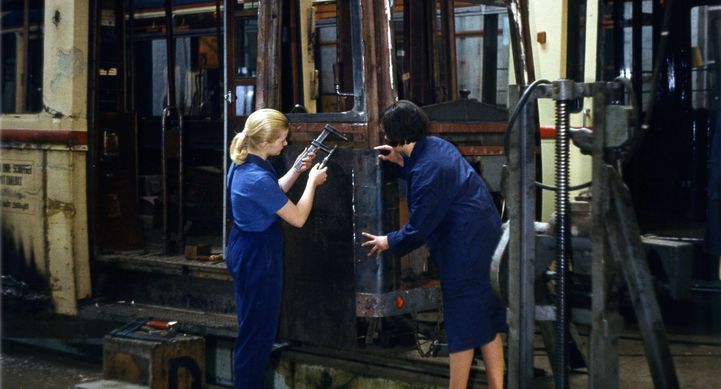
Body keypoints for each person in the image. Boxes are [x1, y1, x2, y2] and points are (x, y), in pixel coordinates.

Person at [361, 100, 506, 389]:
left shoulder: (428, 170)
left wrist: (387, 241)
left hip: (465, 248)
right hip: (485, 240)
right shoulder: (436, 146)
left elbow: (418, 229)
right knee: (487, 319)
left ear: (393, 135)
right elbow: (421, 171)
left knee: (463, 325)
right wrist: (399, 160)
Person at [226, 108, 328, 388]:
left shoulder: (248, 161)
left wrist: (296, 170)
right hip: (257, 254)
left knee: (254, 328)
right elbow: (298, 218)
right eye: (282, 139)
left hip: (247, 246)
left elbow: (272, 194)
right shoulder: (254, 177)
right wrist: (311, 183)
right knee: (257, 334)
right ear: (265, 143)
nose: (285, 143)